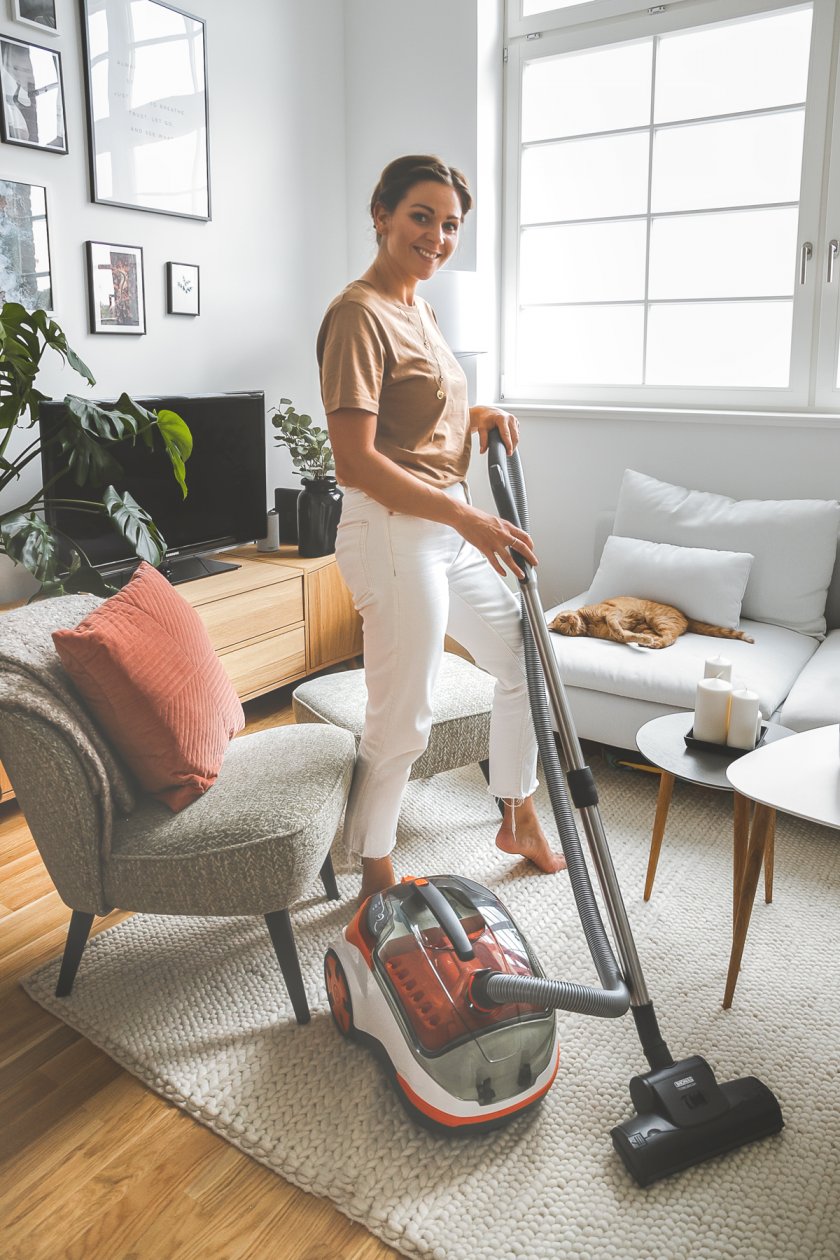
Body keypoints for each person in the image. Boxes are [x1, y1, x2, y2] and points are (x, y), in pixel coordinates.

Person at [317, 154, 565, 899]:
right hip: (394, 531)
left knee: (529, 660)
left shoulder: (419, 306)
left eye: (451, 223)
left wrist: (474, 415)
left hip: (443, 525)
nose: (437, 235)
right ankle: (376, 868)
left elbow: (417, 419)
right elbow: (357, 460)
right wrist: (468, 516)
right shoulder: (358, 313)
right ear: (382, 213)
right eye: (422, 216)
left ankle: (517, 813)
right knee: (405, 712)